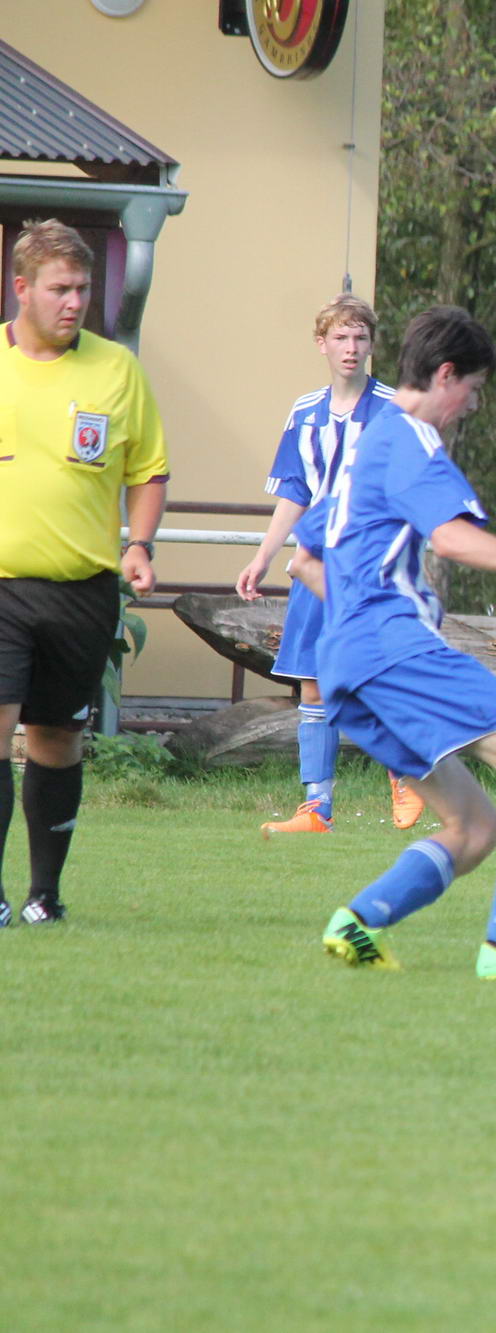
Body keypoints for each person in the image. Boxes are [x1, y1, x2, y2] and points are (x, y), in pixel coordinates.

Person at [294, 305, 496, 980]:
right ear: (446, 375)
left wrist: (356, 618)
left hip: (347, 663)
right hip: (392, 646)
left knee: (475, 827)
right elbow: (451, 538)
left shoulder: (367, 443)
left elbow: (304, 560)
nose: (471, 406)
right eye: (473, 390)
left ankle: (357, 920)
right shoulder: (413, 438)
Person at [0, 219, 169, 927]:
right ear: (22, 288)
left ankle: (44, 893)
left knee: (55, 740)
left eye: (84, 288)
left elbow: (148, 469)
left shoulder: (117, 370)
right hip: (3, 586)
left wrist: (140, 545)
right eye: (60, 289)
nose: (75, 302)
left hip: (82, 591)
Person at [234, 295, 425, 836]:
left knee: (377, 672)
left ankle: (405, 774)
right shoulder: (305, 412)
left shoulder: (392, 409)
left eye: (360, 337)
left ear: (372, 344)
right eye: (341, 337)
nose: (351, 347)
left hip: (370, 563)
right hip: (314, 566)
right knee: (314, 685)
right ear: (322, 344)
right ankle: (317, 808)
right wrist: (263, 556)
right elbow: (295, 491)